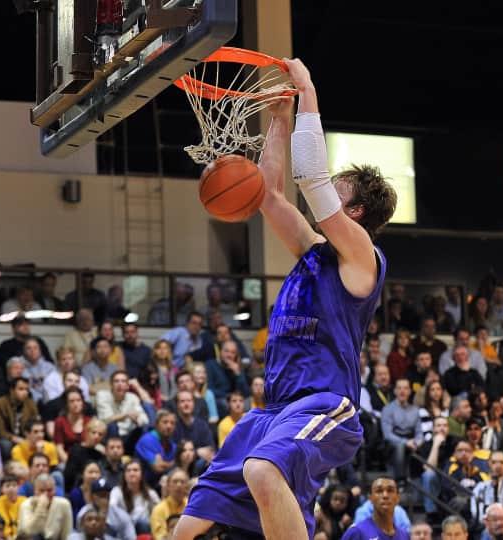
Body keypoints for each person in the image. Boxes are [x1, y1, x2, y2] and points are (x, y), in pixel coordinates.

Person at [176, 59, 397, 540]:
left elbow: (311, 178)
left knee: (261, 471)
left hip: (325, 403)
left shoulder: (363, 257)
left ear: (356, 210)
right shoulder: (312, 249)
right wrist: (279, 116)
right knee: (188, 527)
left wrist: (307, 92)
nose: (326, 191)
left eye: (338, 191)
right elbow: (269, 194)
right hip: (274, 410)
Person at [341, 478, 408, 540]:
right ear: (370, 498)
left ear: (398, 498)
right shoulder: (356, 532)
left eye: (390, 491)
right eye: (379, 491)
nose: (385, 495)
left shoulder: (404, 536)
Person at [0, 377, 39, 459]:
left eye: (27, 389)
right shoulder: (0, 403)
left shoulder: (30, 404)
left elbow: (36, 423)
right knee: (5, 445)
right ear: (12, 390)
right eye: (21, 389)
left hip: (25, 437)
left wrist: (31, 438)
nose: (25, 392)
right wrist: (13, 438)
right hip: (7, 438)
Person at [16, 473, 73, 540]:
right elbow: (29, 532)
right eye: (41, 491)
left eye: (49, 490)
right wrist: (41, 507)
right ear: (35, 491)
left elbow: (67, 535)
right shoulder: (26, 505)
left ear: (55, 490)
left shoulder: (64, 504)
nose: (46, 494)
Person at [150, 470, 189, 540]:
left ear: (187, 486)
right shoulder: (159, 509)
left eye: (182, 482)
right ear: (168, 486)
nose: (179, 485)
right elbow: (160, 537)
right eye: (175, 481)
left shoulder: (191, 506)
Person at [0, 475, 25, 540]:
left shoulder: (24, 500)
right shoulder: (0, 501)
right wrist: (8, 536)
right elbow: (4, 521)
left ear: (18, 487)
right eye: (7, 486)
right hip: (6, 536)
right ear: (2, 489)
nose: (11, 488)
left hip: (22, 534)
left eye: (14, 485)